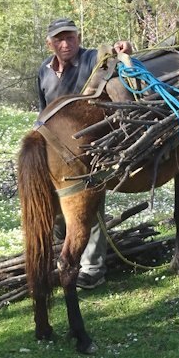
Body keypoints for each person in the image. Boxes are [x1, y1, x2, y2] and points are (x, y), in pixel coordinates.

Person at [37, 17, 133, 289]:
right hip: (56, 149)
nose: (65, 44)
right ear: (50, 44)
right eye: (59, 39)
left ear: (78, 38)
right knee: (57, 210)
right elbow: (42, 111)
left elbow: (113, 60)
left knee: (89, 207)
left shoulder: (91, 59)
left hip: (89, 148)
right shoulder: (44, 71)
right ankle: (66, 255)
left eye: (70, 38)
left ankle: (92, 269)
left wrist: (125, 49)